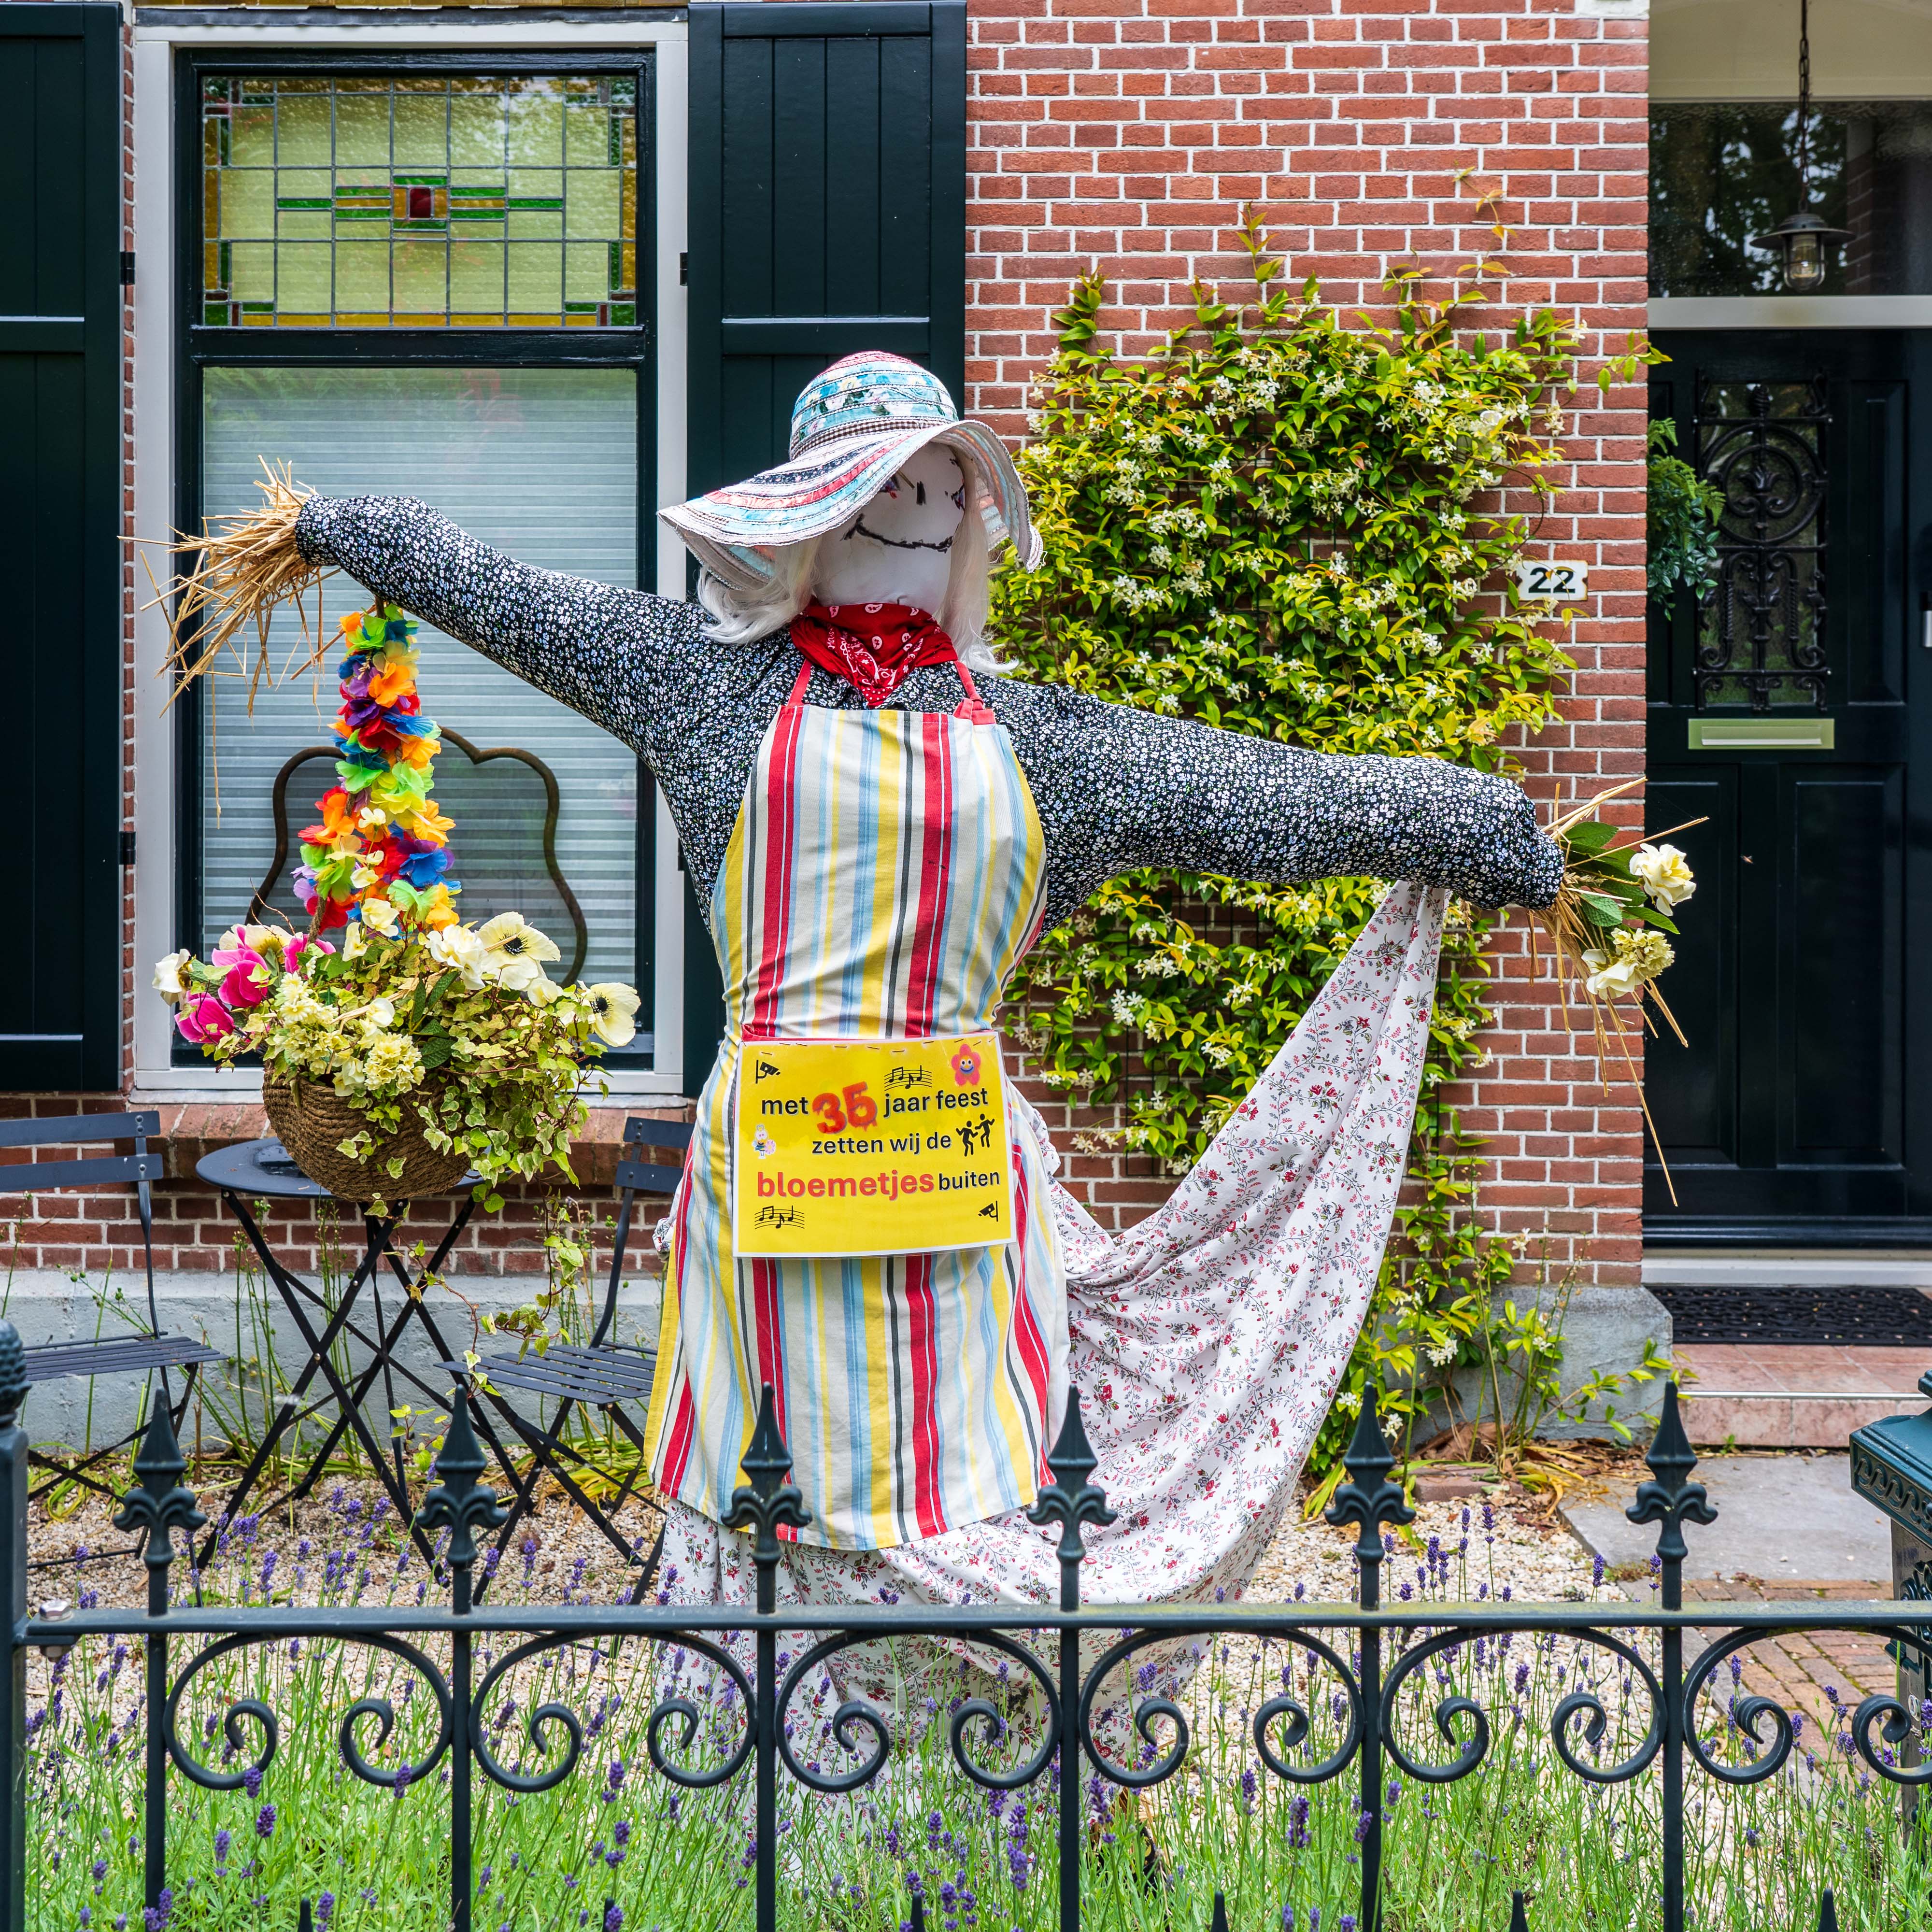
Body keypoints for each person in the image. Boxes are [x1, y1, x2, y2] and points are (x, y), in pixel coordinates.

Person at [287, 351, 1560, 1619]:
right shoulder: (701, 682)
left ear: (970, 515)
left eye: (945, 479)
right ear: (815, 512)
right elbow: (510, 598)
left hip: (952, 1183)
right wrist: (340, 527)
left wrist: (1467, 821)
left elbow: (1269, 797)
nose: (920, 501)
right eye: (888, 480)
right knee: (778, 1480)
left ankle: (955, 1719)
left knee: (964, 1466)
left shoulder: (1047, 743)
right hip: (773, 1189)